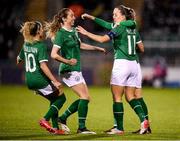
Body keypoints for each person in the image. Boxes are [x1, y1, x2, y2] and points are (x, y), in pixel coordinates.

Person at [77, 5, 149, 135]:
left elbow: (102, 39)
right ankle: (144, 120)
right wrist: (91, 17)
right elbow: (141, 48)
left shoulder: (119, 27)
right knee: (131, 96)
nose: (113, 16)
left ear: (122, 16)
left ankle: (119, 128)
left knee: (117, 97)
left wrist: (86, 33)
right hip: (134, 64)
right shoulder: (132, 27)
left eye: (116, 14)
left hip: (122, 63)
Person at [45, 8, 105, 134]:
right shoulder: (61, 34)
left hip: (76, 69)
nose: (74, 18)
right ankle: (81, 128)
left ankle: (63, 118)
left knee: (86, 98)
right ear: (64, 19)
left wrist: (96, 48)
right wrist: (67, 61)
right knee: (84, 97)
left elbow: (80, 45)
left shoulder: (73, 31)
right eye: (71, 16)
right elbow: (53, 54)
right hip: (68, 70)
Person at [16, 21, 67, 135]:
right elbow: (43, 66)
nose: (43, 30)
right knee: (61, 98)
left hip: (29, 80)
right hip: (40, 80)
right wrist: (55, 81)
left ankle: (55, 128)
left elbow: (18, 59)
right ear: (38, 31)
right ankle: (45, 119)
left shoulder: (26, 45)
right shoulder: (40, 46)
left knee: (54, 99)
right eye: (41, 28)